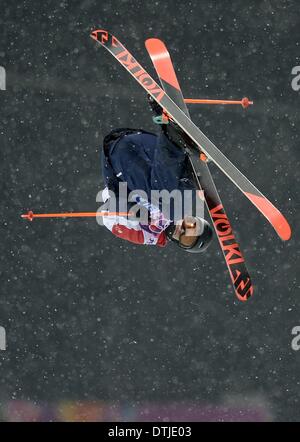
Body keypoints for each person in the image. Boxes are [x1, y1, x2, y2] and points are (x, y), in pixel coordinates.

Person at [99, 96, 213, 253]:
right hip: (143, 145)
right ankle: (168, 127)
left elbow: (107, 214)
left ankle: (172, 137)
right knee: (184, 195)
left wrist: (133, 210)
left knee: (172, 204)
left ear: (179, 244)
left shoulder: (148, 235)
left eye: (186, 239)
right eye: (191, 226)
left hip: (119, 161)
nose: (183, 230)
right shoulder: (181, 204)